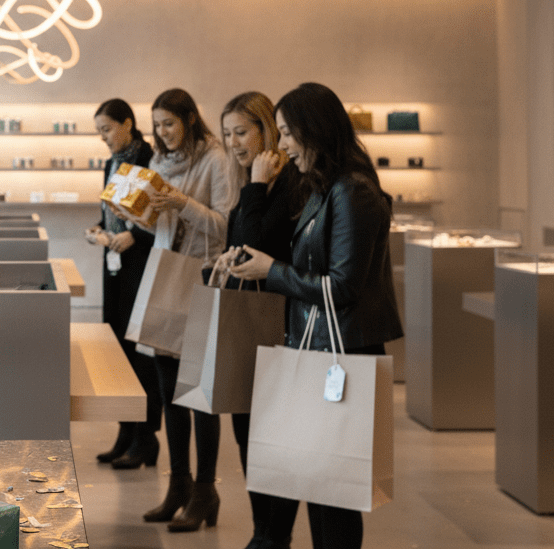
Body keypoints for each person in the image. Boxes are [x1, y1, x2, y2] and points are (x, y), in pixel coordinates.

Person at [231, 82, 404, 549]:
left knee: (335, 493)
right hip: (320, 349)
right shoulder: (327, 188)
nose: (283, 144)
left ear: (315, 130)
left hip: (341, 354)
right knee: (321, 485)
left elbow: (342, 286)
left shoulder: (352, 191)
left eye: (288, 133)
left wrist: (273, 271)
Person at [140, 88, 233, 532]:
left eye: (169, 123)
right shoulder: (158, 163)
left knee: (199, 394)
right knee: (169, 391)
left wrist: (182, 203)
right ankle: (178, 484)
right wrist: (139, 214)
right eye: (157, 125)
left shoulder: (215, 159)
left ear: (190, 119)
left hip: (200, 278)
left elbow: (225, 226)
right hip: (165, 278)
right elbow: (159, 226)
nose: (162, 132)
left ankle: (205, 489)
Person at [212, 92, 299, 549]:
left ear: (267, 131)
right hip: (251, 320)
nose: (234, 143)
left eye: (242, 132)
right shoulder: (250, 181)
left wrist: (258, 185)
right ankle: (262, 530)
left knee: (273, 433)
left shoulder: (285, 183)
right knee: (246, 428)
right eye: (228, 134)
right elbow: (242, 246)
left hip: (281, 323)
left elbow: (257, 244)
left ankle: (274, 534)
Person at [86, 98, 162, 468]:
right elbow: (109, 213)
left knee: (140, 351)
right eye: (99, 131)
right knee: (118, 348)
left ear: (127, 123)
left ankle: (146, 437)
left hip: (140, 264)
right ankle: (126, 432)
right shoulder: (111, 163)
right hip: (114, 264)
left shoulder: (150, 159)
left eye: (107, 129)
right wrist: (99, 230)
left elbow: (157, 218)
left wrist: (134, 234)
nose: (104, 137)